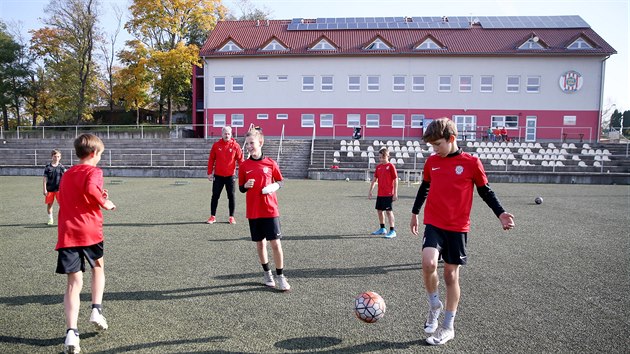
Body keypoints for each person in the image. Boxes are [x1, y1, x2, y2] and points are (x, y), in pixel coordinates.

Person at [409, 118, 515, 346]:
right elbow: (424, 187)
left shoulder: (471, 163)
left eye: (438, 144)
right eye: (432, 146)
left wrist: (501, 213)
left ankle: (448, 327)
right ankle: (434, 304)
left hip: (457, 227)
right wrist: (415, 212)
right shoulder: (432, 162)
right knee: (428, 263)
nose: (435, 150)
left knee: (450, 275)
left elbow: (486, 192)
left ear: (452, 139)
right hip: (434, 223)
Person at [55, 134, 116, 354]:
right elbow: (90, 189)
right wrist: (104, 201)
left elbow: (66, 198)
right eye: (100, 154)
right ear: (93, 153)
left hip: (68, 232)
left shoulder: (67, 173)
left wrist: (97, 194)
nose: (100, 158)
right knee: (98, 267)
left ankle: (72, 332)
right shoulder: (95, 171)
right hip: (89, 230)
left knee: (73, 282)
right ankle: (96, 310)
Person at [238, 127, 290, 291]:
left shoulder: (270, 163)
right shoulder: (244, 165)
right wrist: (245, 186)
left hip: (270, 210)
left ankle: (280, 276)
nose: (249, 147)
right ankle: (267, 274)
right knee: (260, 245)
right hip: (254, 211)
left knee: (275, 244)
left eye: (251, 143)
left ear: (260, 142)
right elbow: (241, 188)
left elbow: (281, 181)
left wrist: (273, 186)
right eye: (247, 144)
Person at [207, 126, 244, 224]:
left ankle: (231, 217)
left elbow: (240, 160)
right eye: (225, 133)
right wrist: (210, 172)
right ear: (222, 134)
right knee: (215, 196)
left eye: (228, 133)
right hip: (218, 176)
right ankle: (212, 216)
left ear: (231, 134)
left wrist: (243, 173)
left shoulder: (236, 146)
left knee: (231, 196)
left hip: (230, 176)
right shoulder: (216, 145)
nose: (226, 135)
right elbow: (211, 159)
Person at [368, 147, 398, 238]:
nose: (381, 159)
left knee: (389, 212)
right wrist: (370, 191)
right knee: (379, 211)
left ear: (387, 156)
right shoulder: (378, 167)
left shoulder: (391, 166)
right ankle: (382, 228)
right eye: (380, 157)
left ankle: (392, 231)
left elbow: (395, 180)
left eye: (383, 157)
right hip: (380, 193)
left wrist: (395, 193)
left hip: (389, 193)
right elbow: (374, 180)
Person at [43, 149, 66, 225]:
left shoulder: (62, 167)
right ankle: (50, 219)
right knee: (49, 205)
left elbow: (66, 177)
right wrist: (44, 189)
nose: (56, 158)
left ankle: (63, 220)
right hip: (49, 189)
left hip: (59, 190)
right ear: (52, 157)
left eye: (58, 156)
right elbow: (45, 178)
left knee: (62, 205)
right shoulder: (48, 167)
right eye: (55, 156)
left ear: (60, 157)